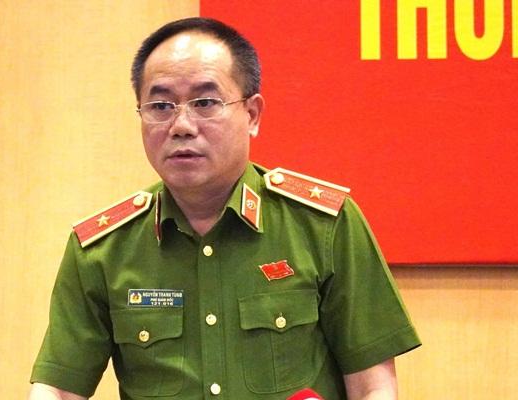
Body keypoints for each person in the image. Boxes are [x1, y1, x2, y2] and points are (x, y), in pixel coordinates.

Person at [29, 17, 421, 400]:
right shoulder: (103, 250)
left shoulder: (323, 226)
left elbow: (372, 387)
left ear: (252, 114)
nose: (181, 125)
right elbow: (58, 389)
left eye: (205, 102)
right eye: (160, 106)